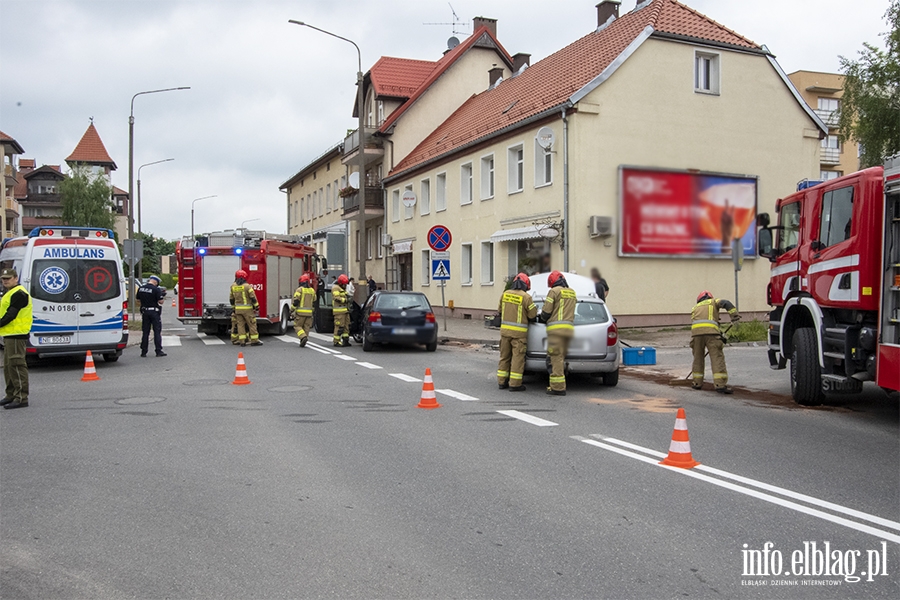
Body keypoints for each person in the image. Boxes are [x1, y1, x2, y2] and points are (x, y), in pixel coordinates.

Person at [691, 290, 740, 393]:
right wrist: (734, 315)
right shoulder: (713, 302)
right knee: (716, 358)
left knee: (698, 359)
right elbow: (726, 303)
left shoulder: (695, 308)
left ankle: (697, 383)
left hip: (696, 335)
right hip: (711, 334)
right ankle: (720, 384)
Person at [497, 273, 537, 392]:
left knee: (504, 357)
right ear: (526, 285)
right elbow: (533, 315)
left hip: (504, 333)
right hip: (519, 336)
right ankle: (514, 384)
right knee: (517, 359)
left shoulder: (505, 294)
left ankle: (501, 382)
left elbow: (499, 310)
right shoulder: (526, 297)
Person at [539, 271, 576, 396]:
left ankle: (558, 388)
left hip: (556, 330)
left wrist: (541, 318)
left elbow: (546, 312)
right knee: (561, 357)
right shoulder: (571, 292)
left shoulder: (554, 292)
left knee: (556, 358)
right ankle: (559, 384)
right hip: (568, 330)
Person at [0, 268, 32, 409]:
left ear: (16, 278)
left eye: (8, 278)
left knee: (17, 365)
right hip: (9, 334)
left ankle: (21, 398)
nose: (5, 281)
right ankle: (11, 394)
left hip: (17, 334)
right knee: (8, 367)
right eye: (3, 278)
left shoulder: (19, 293)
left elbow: (11, 315)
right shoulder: (10, 293)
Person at [230, 269, 262, 346]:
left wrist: (233, 308)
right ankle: (254, 340)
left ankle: (242, 341)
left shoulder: (233, 286)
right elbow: (253, 297)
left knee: (240, 325)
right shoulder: (247, 286)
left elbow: (231, 299)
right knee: (252, 324)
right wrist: (256, 306)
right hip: (248, 310)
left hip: (238, 310)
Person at [136, 275, 167, 357]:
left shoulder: (141, 288)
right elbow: (161, 302)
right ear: (155, 282)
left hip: (145, 312)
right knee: (157, 331)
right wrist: (162, 296)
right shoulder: (156, 289)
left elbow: (138, 299)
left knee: (145, 332)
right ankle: (158, 351)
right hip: (154, 312)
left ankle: (143, 351)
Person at [292, 274, 316, 347]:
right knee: (306, 327)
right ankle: (303, 340)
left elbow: (296, 301)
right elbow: (315, 301)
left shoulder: (299, 290)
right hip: (309, 314)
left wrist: (291, 309)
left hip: (300, 313)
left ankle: (303, 337)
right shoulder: (312, 290)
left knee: (297, 326)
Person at [332, 274, 351, 347]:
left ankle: (345, 340)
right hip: (339, 312)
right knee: (339, 326)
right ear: (340, 283)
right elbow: (336, 298)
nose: (345, 285)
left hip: (345, 311)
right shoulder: (335, 288)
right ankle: (336, 341)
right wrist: (346, 300)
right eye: (344, 284)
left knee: (346, 326)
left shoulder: (342, 288)